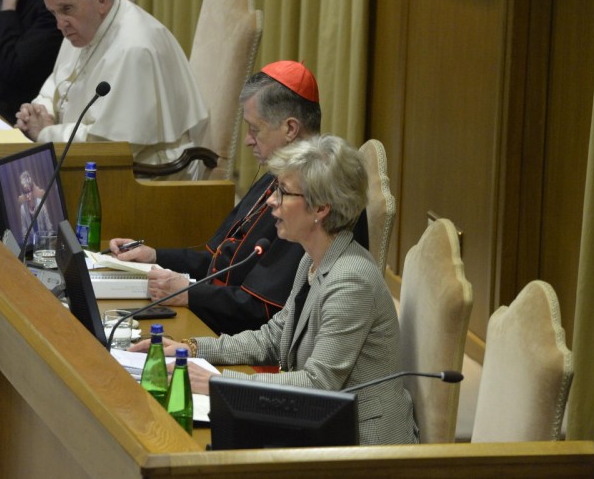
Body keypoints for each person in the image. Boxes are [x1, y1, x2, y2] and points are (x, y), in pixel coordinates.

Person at [131, 135, 418, 446]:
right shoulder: (312, 258)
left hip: (361, 446)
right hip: (321, 426)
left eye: (283, 192)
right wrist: (193, 349)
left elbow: (318, 384)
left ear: (320, 208)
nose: (271, 200)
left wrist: (218, 382)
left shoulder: (351, 281)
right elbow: (272, 337)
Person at [109, 61, 368, 334]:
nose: (247, 140)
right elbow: (220, 264)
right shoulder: (275, 179)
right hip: (222, 324)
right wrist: (154, 256)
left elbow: (264, 311)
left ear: (290, 129)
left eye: (255, 129)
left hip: (244, 337)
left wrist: (189, 294)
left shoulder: (310, 197)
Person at [15, 0, 208, 177]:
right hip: (89, 163)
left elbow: (114, 146)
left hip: (145, 174)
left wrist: (46, 133)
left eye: (66, 9)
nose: (60, 24)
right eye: (53, 13)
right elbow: (59, 84)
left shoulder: (135, 48)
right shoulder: (85, 26)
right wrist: (39, 112)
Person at [17, 169, 50, 243]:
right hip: (32, 246)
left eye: (28, 191)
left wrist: (48, 244)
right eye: (25, 192)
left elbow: (49, 229)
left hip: (44, 244)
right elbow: (24, 233)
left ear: (33, 190)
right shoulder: (23, 209)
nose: (27, 196)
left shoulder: (41, 204)